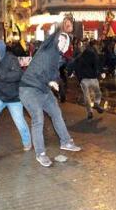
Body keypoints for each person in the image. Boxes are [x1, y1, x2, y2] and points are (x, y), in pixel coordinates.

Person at [19, 31, 81, 167]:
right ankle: (40, 153)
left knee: (56, 113)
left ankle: (66, 142)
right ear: (55, 40)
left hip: (43, 89)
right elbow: (43, 72)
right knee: (38, 119)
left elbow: (54, 73)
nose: (63, 43)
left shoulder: (57, 57)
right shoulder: (47, 50)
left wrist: (54, 81)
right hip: (29, 89)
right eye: (61, 40)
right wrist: (51, 81)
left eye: (65, 42)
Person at [71, 40, 106, 120]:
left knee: (86, 96)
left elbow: (74, 65)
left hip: (83, 80)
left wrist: (73, 74)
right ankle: (96, 103)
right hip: (93, 78)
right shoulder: (93, 55)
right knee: (98, 93)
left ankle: (89, 111)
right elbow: (97, 64)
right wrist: (101, 72)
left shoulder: (79, 57)